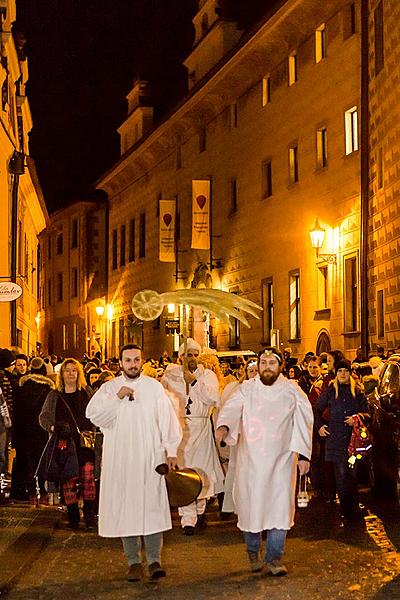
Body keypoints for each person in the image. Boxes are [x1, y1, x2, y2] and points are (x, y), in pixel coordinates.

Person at [86, 344, 181, 582]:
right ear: (120, 363)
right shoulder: (109, 388)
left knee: (152, 508)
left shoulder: (154, 388)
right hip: (121, 459)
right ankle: (133, 562)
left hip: (150, 457)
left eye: (136, 359)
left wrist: (170, 450)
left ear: (142, 361)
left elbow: (167, 420)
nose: (132, 364)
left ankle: (154, 560)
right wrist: (117, 399)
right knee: (126, 508)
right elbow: (94, 416)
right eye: (127, 360)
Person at [216, 348, 313, 576]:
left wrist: (304, 455)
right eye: (263, 362)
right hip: (251, 462)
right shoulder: (247, 389)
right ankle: (253, 550)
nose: (267, 366)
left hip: (282, 461)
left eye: (272, 362)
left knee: (280, 510)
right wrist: (223, 427)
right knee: (252, 509)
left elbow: (304, 420)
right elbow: (231, 409)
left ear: (280, 366)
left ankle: (274, 558)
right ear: (258, 366)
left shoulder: (292, 390)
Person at [161, 338, 224, 535]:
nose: (193, 359)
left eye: (196, 355)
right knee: (183, 472)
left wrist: (194, 382)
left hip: (202, 428)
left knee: (202, 471)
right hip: (181, 429)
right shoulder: (169, 377)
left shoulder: (208, 376)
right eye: (189, 355)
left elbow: (215, 398)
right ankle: (187, 519)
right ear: (181, 357)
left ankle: (199, 510)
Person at [39, 358, 96, 529]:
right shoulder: (54, 395)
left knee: (88, 479)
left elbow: (96, 413)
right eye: (67, 370)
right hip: (64, 443)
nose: (71, 373)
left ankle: (90, 516)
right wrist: (53, 427)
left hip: (85, 443)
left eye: (74, 370)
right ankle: (73, 517)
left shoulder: (86, 392)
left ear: (79, 373)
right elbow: (43, 417)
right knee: (69, 480)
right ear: (61, 374)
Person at [316, 359, 369, 522]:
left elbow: (367, 413)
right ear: (336, 373)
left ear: (349, 372)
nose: (343, 374)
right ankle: (346, 510)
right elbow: (317, 409)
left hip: (353, 442)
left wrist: (357, 418)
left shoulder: (358, 392)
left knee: (352, 473)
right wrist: (320, 426)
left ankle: (353, 506)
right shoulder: (331, 391)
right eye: (340, 371)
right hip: (336, 440)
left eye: (345, 371)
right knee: (341, 474)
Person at [10, 357, 53, 501]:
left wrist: (14, 437)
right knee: (42, 459)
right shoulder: (49, 391)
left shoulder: (21, 389)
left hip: (23, 432)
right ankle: (42, 488)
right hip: (42, 431)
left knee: (25, 461)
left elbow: (15, 414)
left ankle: (26, 491)